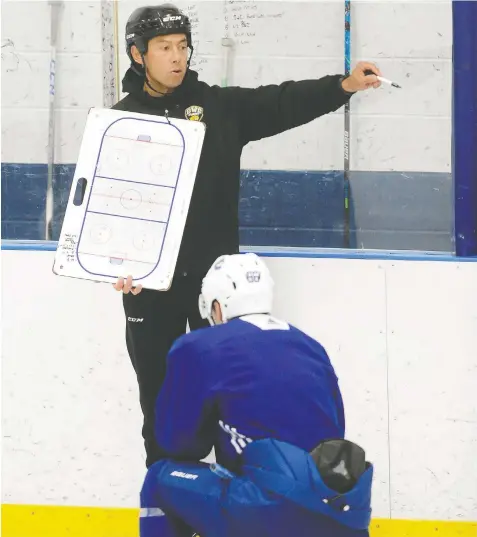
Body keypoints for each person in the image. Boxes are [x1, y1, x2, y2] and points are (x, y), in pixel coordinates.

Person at [112, 3, 383, 468]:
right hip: (149, 289)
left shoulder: (218, 108)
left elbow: (280, 101)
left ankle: (232, 505)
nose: (177, 57)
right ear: (139, 55)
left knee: (228, 394)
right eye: (164, 48)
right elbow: (109, 208)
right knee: (158, 399)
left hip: (215, 286)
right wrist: (117, 264)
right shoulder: (119, 122)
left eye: (182, 46)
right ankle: (168, 509)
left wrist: (344, 85)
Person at [139, 252, 374, 537]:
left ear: (217, 306)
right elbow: (334, 431)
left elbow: (179, 445)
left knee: (159, 481)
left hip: (268, 512)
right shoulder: (311, 346)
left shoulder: (199, 346)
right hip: (341, 515)